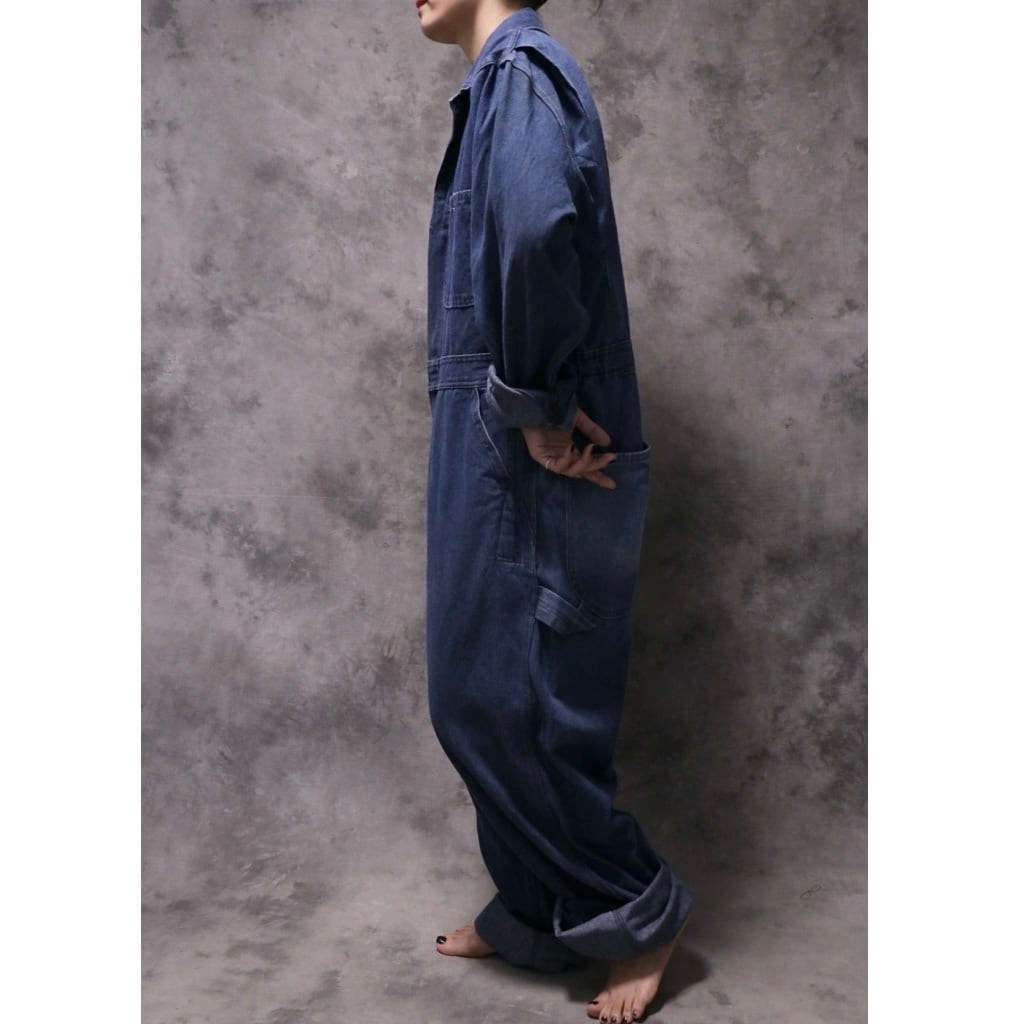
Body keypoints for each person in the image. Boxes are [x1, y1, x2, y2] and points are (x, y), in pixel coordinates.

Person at [416, 2, 693, 1021]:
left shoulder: (521, 75)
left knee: (511, 694)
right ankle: (536, 911)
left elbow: (537, 231)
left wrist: (533, 406)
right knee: (488, 687)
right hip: (493, 427)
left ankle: (637, 907)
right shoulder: (497, 85)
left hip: (532, 437)